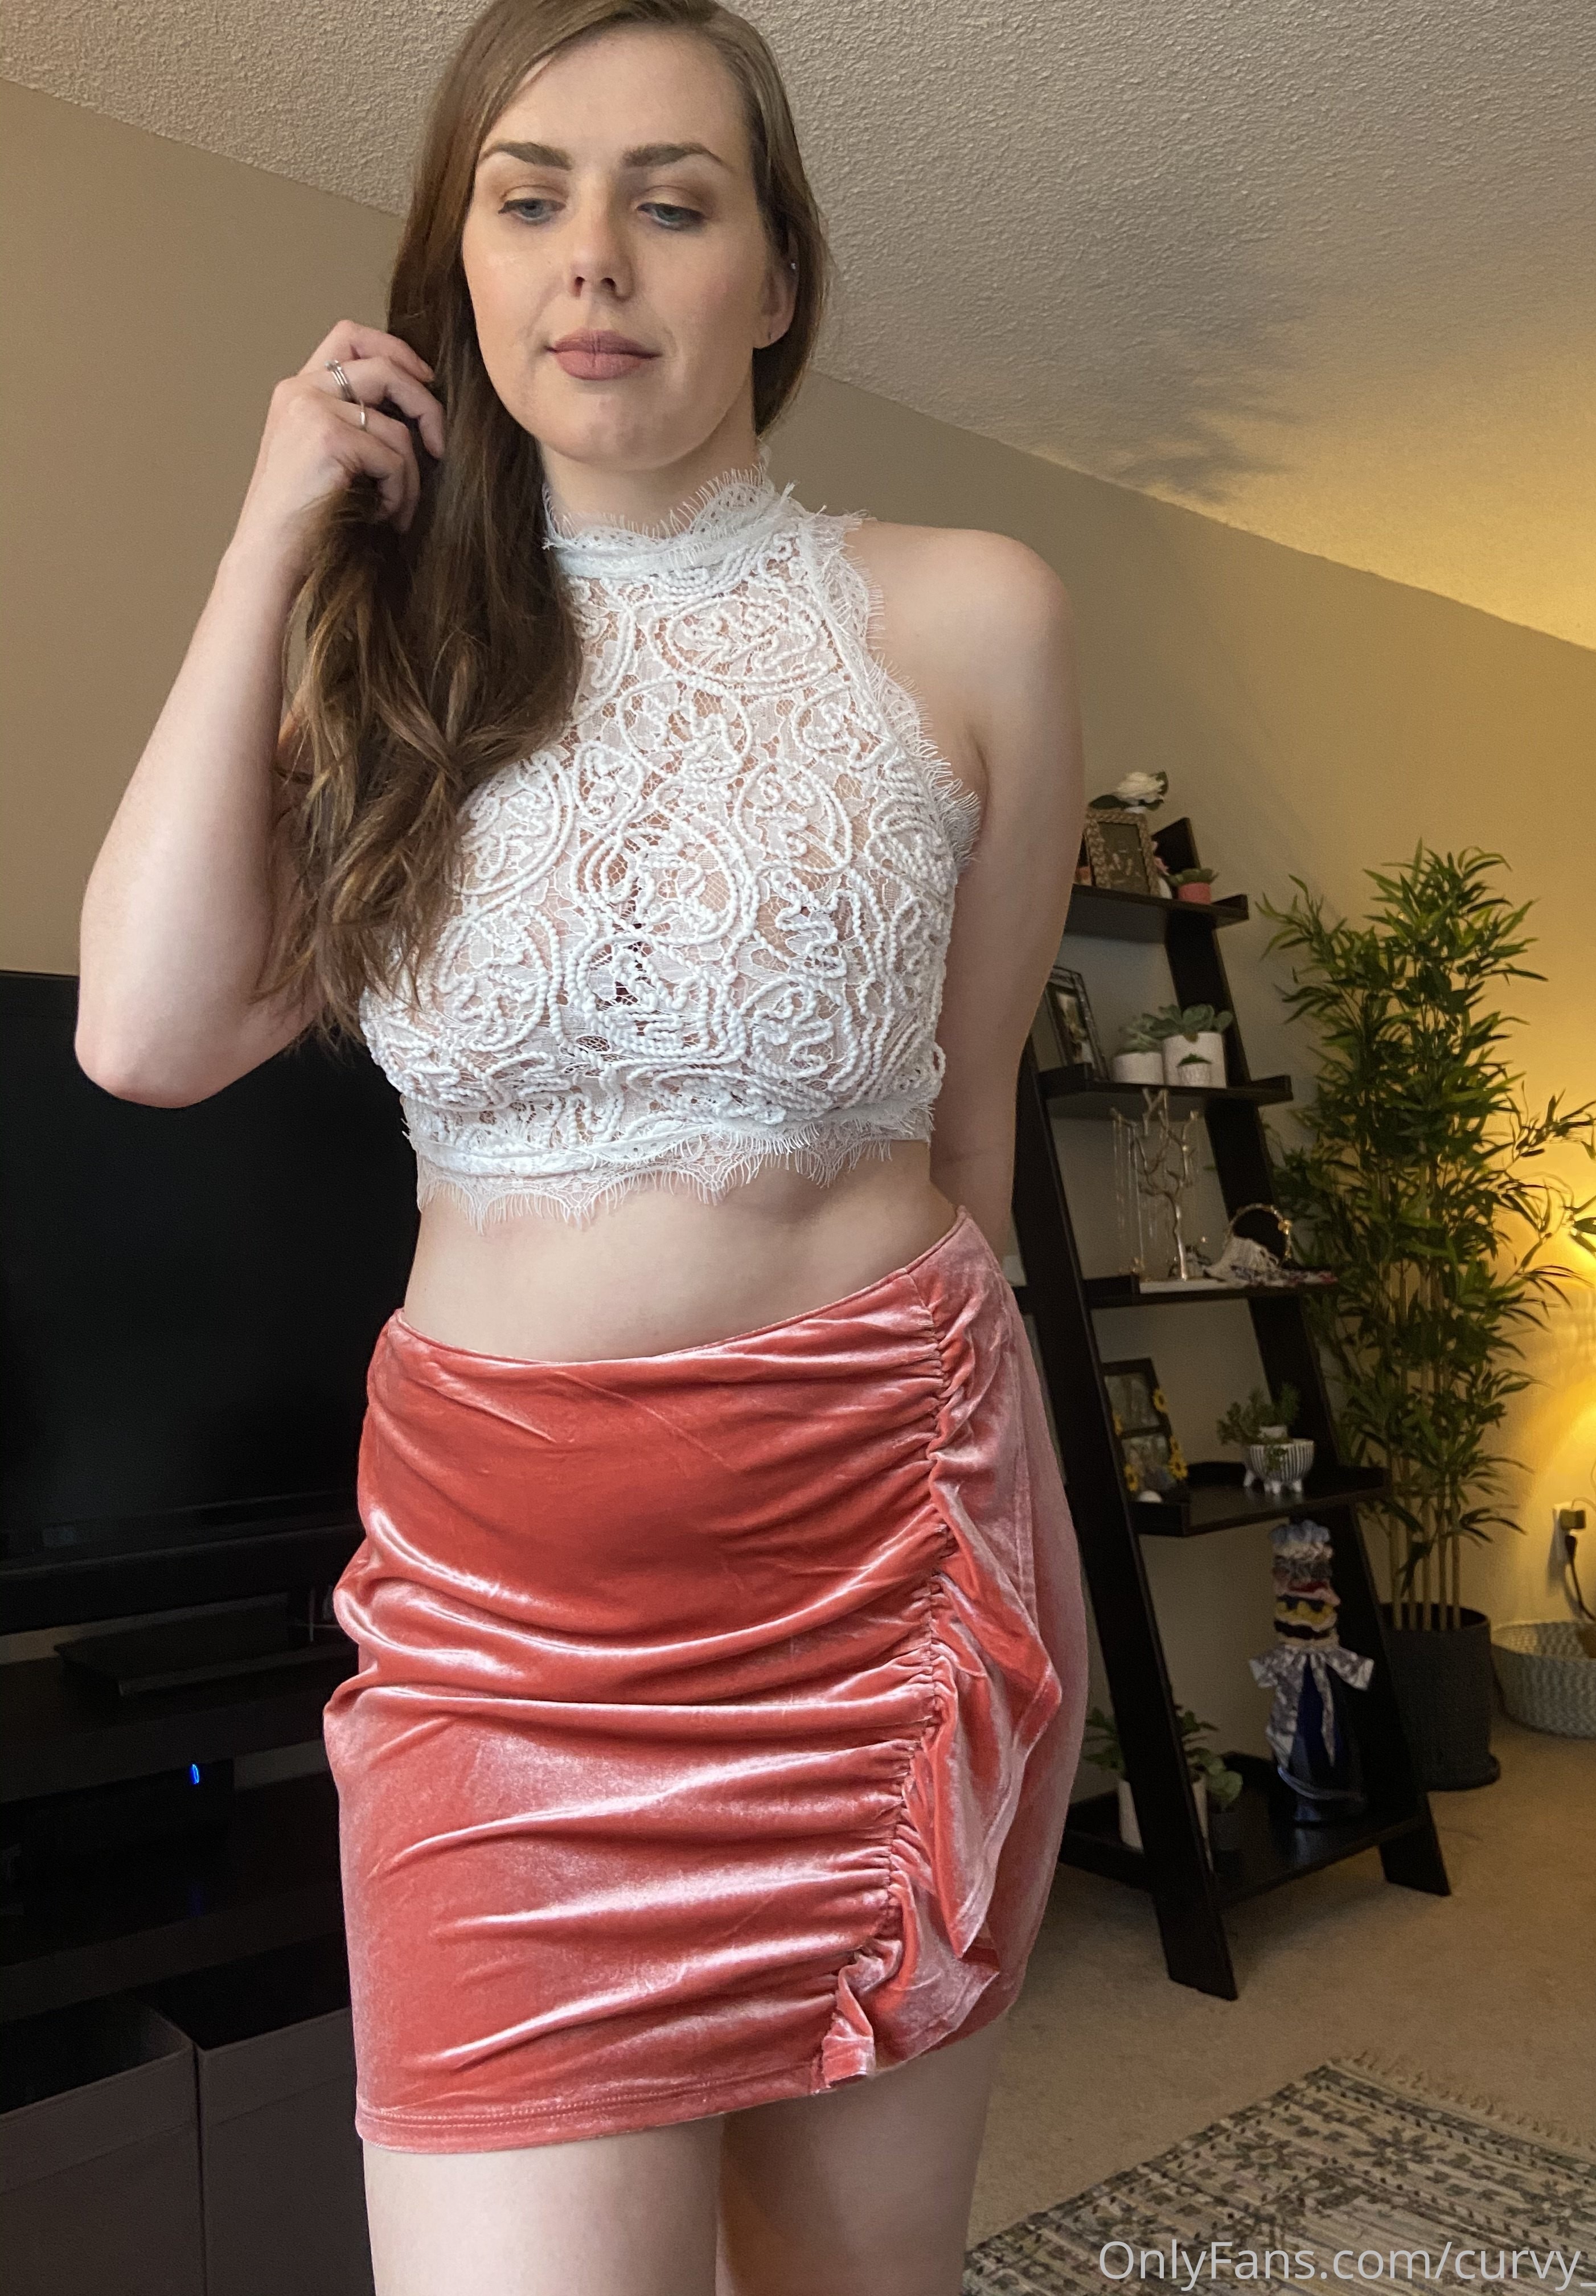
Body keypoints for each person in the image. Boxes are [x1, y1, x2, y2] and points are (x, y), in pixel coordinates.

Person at [75, 0, 1089, 2288]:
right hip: (497, 1631)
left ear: (779, 274)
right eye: (527, 199)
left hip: (879, 1570)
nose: (594, 259)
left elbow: (972, 1126)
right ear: (461, 265)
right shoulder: (388, 656)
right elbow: (143, 1032)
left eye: (674, 201)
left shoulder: (977, 620)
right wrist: (273, 527)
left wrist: (1003, 1558)